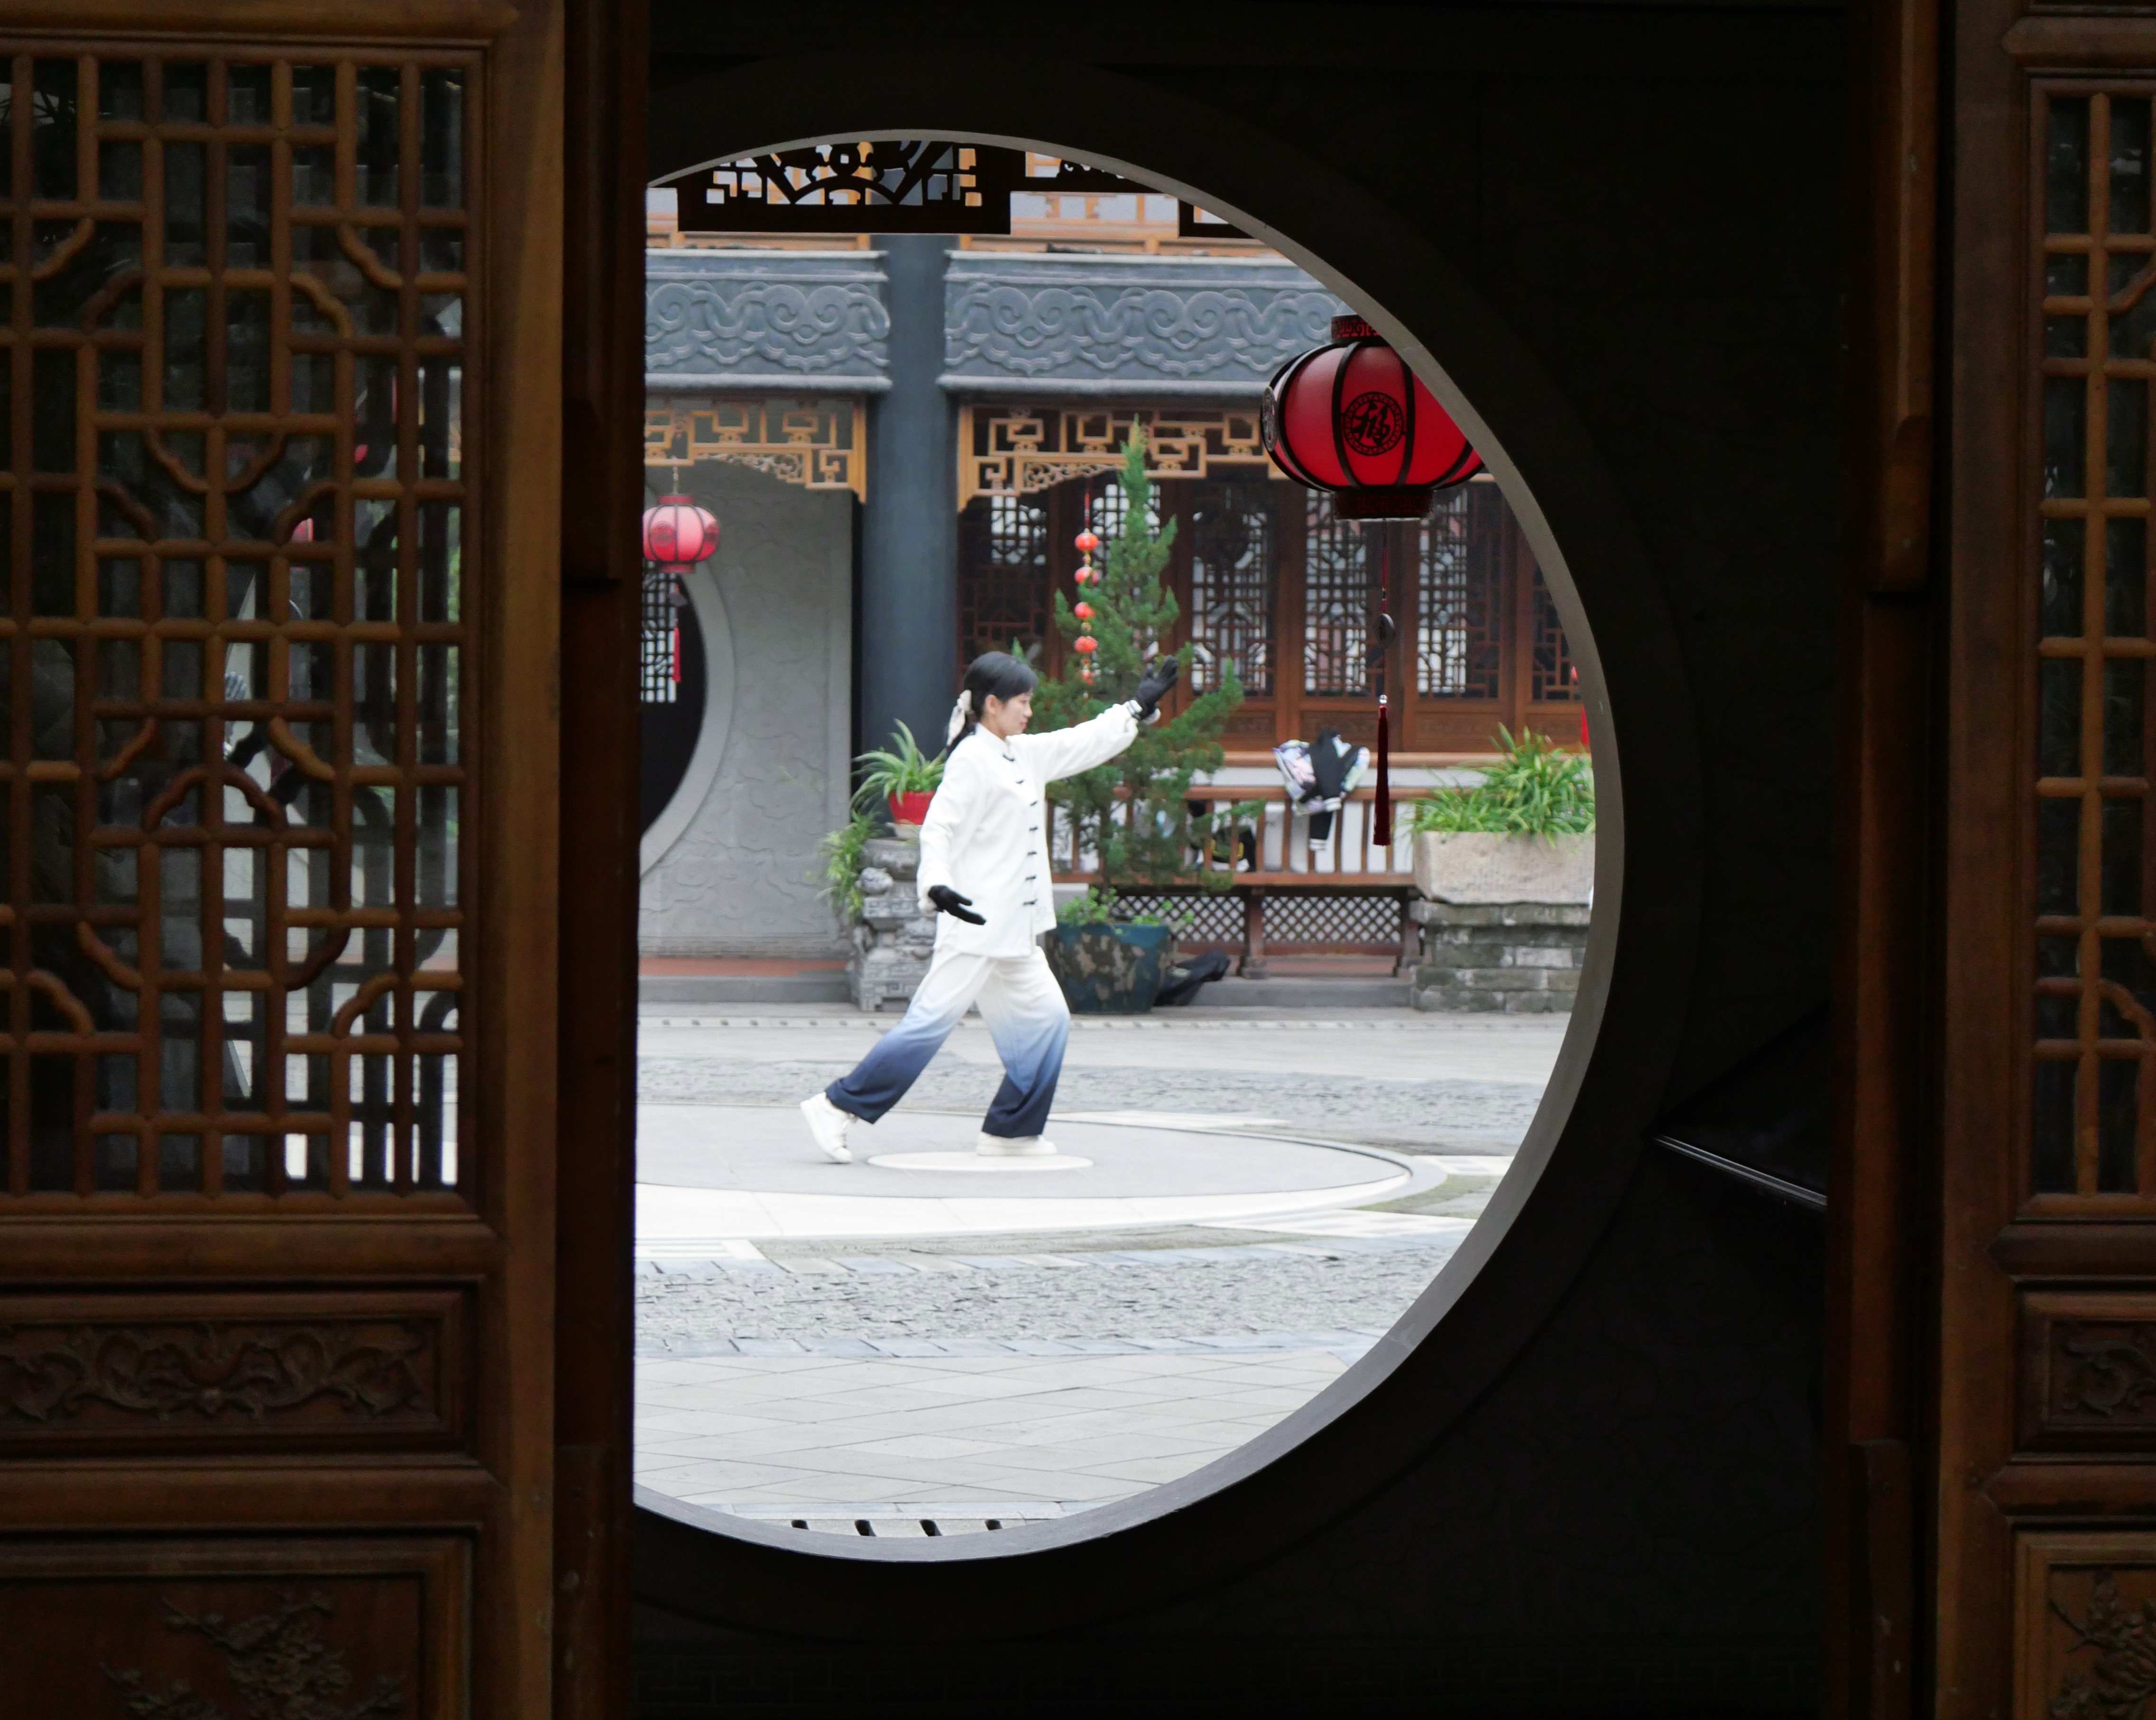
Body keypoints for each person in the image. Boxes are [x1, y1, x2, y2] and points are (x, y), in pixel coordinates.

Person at [799, 649, 1179, 1161]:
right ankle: (835, 1106)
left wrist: (1135, 707)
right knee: (926, 1027)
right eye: (1023, 702)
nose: (1029, 711)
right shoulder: (971, 760)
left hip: (1015, 931)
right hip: (975, 924)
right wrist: (937, 885)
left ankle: (1011, 1131)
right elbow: (938, 829)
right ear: (993, 704)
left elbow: (1079, 741)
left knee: (1048, 1021)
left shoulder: (1021, 753)